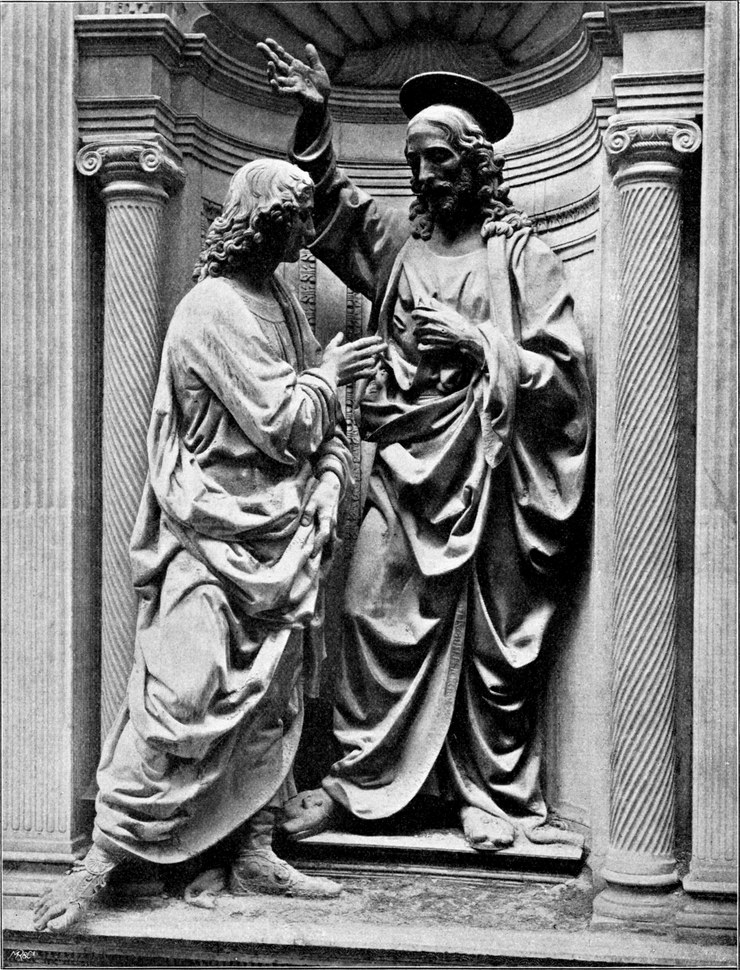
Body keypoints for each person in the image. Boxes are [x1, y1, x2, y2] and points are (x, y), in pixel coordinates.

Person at [34, 157, 387, 932]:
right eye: (297, 217)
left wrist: (329, 483)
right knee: (182, 696)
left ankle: (254, 851)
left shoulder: (282, 307)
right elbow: (286, 420)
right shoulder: (211, 309)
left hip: (281, 537)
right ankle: (102, 863)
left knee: (271, 703)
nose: (307, 231)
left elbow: (322, 429)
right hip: (210, 533)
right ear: (262, 221)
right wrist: (331, 378)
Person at [257, 40, 593, 852]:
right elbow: (331, 205)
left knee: (489, 645)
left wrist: (480, 343)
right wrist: (316, 116)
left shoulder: (524, 260)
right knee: (365, 610)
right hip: (404, 473)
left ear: (475, 166)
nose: (422, 176)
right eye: (413, 161)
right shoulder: (397, 248)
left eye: (438, 160)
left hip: (488, 472)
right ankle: (359, 780)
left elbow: (563, 379)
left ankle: (488, 792)